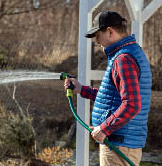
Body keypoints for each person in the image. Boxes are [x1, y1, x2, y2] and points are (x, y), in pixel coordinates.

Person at [64, 11, 152, 166]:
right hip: (121, 143)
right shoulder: (129, 53)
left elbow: (132, 104)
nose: (97, 42)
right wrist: (82, 89)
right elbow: (113, 97)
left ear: (110, 31)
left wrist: (104, 128)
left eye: (98, 35)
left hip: (118, 144)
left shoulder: (123, 59)